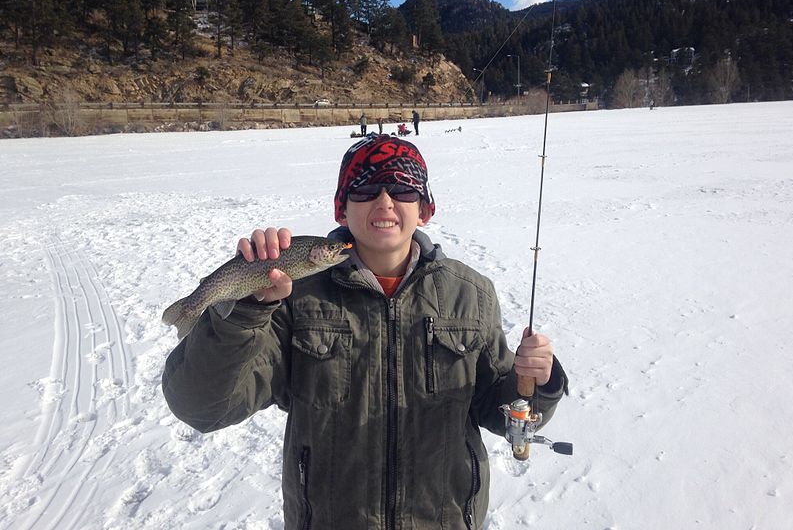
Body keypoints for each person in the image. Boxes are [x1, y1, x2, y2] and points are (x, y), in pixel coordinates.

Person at [162, 133, 568, 529]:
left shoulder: (471, 293)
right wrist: (246, 311)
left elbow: (500, 411)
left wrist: (537, 383)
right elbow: (202, 407)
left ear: (425, 209)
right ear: (342, 209)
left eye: (404, 189)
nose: (385, 200)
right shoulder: (294, 295)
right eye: (366, 188)